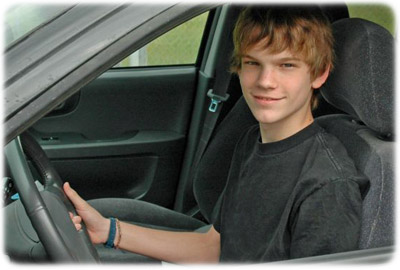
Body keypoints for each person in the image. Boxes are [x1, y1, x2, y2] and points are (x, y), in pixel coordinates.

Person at [64, 5, 369, 263]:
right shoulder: (253, 143)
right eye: (253, 63)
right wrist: (109, 231)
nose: (265, 81)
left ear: (318, 74)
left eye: (286, 65)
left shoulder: (328, 186)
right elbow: (214, 248)